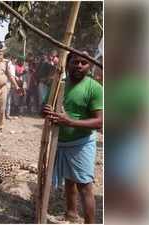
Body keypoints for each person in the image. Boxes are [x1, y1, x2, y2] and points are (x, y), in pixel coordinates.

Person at [42, 51, 103, 224]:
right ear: (67, 64)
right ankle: (71, 214)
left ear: (89, 65)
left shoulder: (95, 88)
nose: (79, 66)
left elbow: (100, 122)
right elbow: (44, 109)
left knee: (84, 186)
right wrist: (45, 111)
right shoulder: (58, 85)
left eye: (84, 63)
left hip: (81, 144)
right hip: (59, 143)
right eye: (75, 62)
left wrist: (69, 121)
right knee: (69, 181)